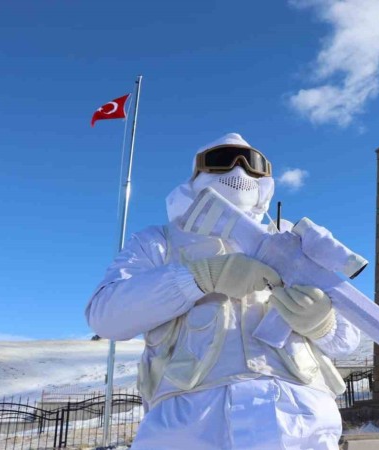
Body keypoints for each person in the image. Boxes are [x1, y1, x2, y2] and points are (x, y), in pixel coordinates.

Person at [86, 133, 360, 450]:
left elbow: (348, 339)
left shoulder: (293, 240)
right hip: (188, 426)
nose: (239, 171)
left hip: (300, 422)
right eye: (223, 160)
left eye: (252, 164)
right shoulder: (159, 241)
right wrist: (200, 277)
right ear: (198, 173)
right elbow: (106, 315)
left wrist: (322, 323)